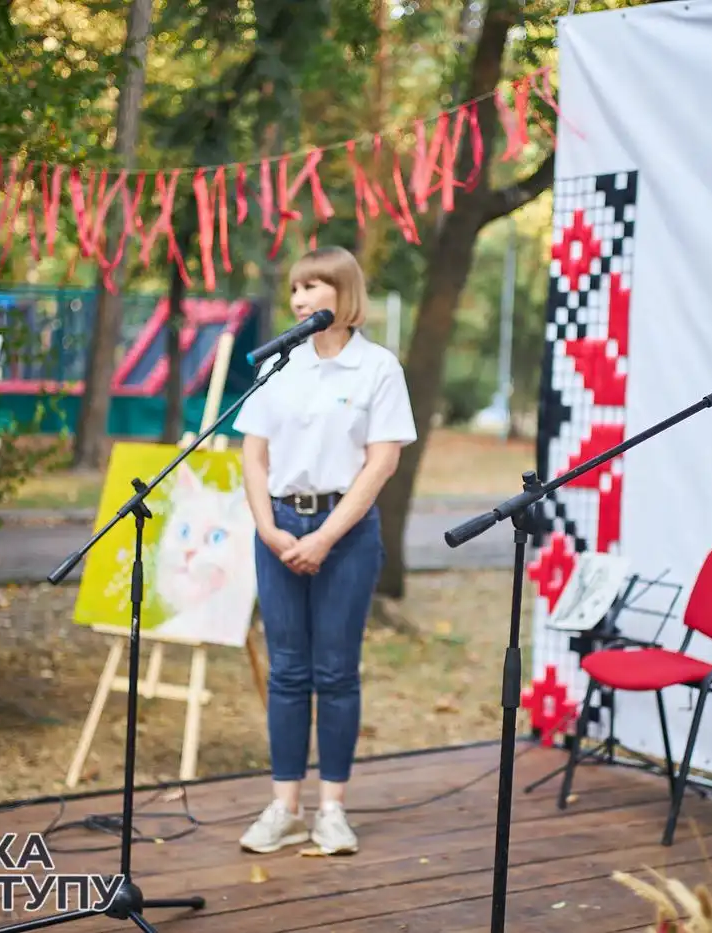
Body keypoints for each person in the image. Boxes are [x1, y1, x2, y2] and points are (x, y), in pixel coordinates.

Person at [231, 245, 417, 856]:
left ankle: (332, 809)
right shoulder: (278, 364)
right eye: (294, 288)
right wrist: (268, 528)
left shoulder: (378, 368)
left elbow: (381, 462)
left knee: (336, 673)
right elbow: (253, 455)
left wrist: (325, 537)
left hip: (347, 533)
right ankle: (284, 807)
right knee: (287, 671)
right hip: (279, 529)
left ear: (344, 293)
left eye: (313, 286)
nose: (300, 299)